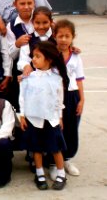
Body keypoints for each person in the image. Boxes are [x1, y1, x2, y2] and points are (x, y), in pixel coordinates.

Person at [19, 41, 70, 190]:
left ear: (49, 59)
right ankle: (39, 173)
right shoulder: (28, 77)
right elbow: (22, 97)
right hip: (34, 119)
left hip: (51, 119)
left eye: (37, 56)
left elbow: (59, 99)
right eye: (33, 56)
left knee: (55, 148)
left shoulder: (56, 78)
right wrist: (22, 115)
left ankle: (61, 174)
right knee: (37, 148)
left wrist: (59, 116)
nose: (33, 59)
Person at [54, 19, 85, 177]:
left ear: (73, 37)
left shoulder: (75, 56)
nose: (64, 39)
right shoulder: (51, 54)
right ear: (55, 36)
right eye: (61, 36)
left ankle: (66, 159)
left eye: (67, 36)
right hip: (55, 96)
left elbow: (79, 78)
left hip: (72, 95)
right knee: (56, 128)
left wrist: (81, 99)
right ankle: (53, 162)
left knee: (72, 128)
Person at [6, 0, 35, 111]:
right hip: (20, 72)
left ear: (34, 3)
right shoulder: (11, 26)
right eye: (22, 4)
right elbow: (9, 54)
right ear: (15, 4)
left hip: (40, 70)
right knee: (22, 105)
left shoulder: (41, 20)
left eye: (29, 3)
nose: (26, 7)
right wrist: (17, 44)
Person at [17, 6, 56, 76]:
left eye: (45, 22)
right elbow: (23, 60)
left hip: (54, 77)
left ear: (51, 21)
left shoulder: (56, 38)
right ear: (32, 22)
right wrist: (26, 66)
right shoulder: (28, 39)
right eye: (37, 23)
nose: (41, 27)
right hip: (35, 78)